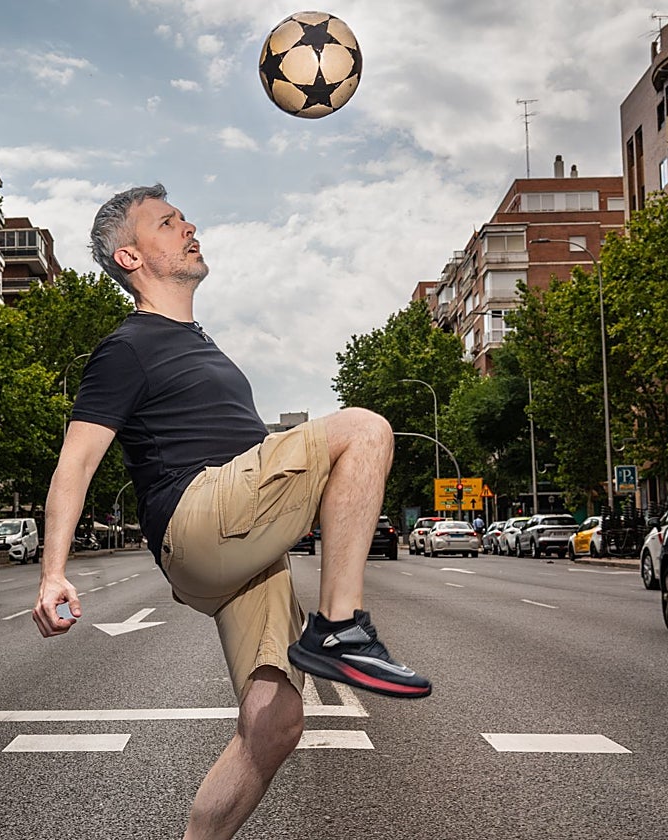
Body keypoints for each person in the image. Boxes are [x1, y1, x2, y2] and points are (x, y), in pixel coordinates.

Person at [32, 184, 431, 840]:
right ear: (131, 258)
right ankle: (340, 628)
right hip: (198, 516)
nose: (189, 227)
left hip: (243, 541)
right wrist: (53, 572)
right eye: (168, 223)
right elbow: (74, 464)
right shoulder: (127, 347)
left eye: (185, 217)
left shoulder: (203, 346)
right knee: (364, 429)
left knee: (274, 723)